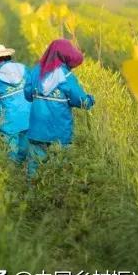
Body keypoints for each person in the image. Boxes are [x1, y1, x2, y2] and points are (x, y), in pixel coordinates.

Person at [24, 39, 95, 177]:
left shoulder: (37, 71)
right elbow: (82, 101)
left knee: (34, 169)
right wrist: (91, 99)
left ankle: (33, 193)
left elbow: (27, 94)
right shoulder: (66, 76)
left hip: (37, 130)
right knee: (60, 170)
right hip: (59, 132)